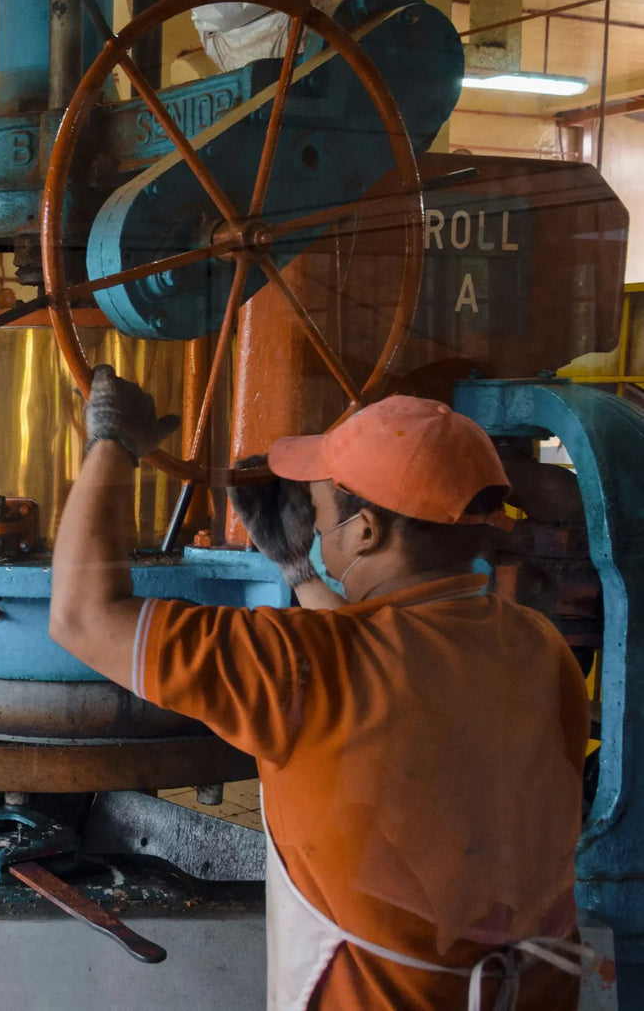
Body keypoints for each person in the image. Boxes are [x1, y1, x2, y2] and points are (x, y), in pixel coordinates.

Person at [49, 365, 594, 1011]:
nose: (311, 516)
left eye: (321, 507)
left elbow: (81, 617)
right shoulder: (539, 649)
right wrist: (300, 572)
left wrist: (113, 442)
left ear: (365, 532)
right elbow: (389, 674)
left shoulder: (300, 666)